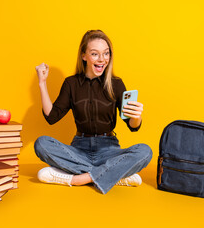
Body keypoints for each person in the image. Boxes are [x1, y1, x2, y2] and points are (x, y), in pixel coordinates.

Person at [34, 30, 152, 194]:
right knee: (41, 144)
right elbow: (52, 117)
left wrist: (136, 116)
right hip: (78, 151)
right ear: (84, 56)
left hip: (109, 150)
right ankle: (114, 175)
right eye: (95, 54)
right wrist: (42, 83)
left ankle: (77, 179)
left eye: (106, 54)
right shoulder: (71, 83)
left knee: (145, 151)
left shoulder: (116, 84)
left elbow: (133, 126)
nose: (102, 59)